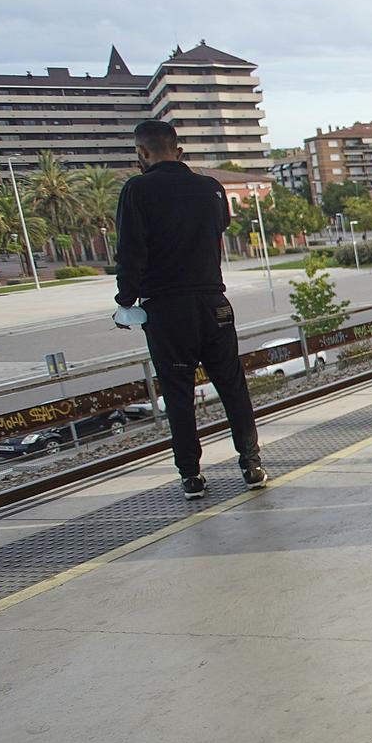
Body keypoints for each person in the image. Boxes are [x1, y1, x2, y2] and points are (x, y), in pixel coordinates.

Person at [112, 119, 264, 500]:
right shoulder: (210, 188)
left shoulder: (137, 190)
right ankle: (251, 464)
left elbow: (131, 251)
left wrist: (125, 301)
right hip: (214, 304)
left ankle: (191, 476)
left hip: (166, 310)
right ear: (178, 151)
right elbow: (220, 227)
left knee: (178, 394)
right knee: (232, 387)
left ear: (142, 153)